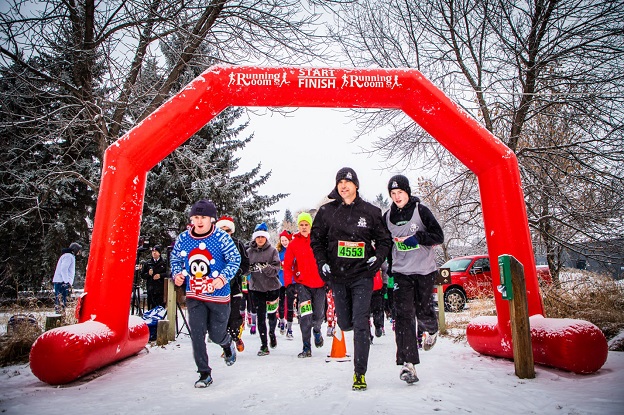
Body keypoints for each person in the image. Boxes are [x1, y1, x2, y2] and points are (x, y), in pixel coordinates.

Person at [311, 167, 392, 391]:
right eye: (340, 182)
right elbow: (316, 241)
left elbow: (385, 241)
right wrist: (322, 263)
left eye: (348, 182)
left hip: (362, 276)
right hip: (338, 276)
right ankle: (346, 325)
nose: (344, 186)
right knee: (346, 323)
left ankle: (359, 373)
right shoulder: (327, 212)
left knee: (360, 322)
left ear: (356, 185)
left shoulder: (371, 212)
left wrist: (376, 260)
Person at [170, 199, 241, 388]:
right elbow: (175, 259)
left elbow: (235, 259)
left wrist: (223, 278)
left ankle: (226, 344)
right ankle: (204, 373)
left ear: (212, 219)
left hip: (218, 295)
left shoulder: (221, 238)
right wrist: (177, 274)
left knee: (216, 335)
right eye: (196, 217)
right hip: (195, 294)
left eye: (204, 217)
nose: (199, 221)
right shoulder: (184, 238)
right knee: (197, 334)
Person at [384, 174, 444, 384]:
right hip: (401, 272)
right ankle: (408, 364)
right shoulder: (387, 216)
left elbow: (439, 236)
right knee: (403, 315)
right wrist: (388, 273)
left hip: (424, 270)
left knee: (422, 309)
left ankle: (432, 328)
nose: (397, 196)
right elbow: (386, 245)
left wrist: (417, 238)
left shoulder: (421, 211)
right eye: (393, 193)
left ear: (407, 192)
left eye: (400, 192)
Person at [283, 212, 326, 358]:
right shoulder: (294, 243)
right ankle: (306, 347)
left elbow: (327, 260)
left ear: (310, 226)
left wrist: (330, 278)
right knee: (305, 317)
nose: (303, 227)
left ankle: (317, 330)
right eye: (301, 225)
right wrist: (289, 284)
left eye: (306, 224)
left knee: (319, 315)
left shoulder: (318, 240)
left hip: (320, 284)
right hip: (303, 285)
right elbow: (287, 265)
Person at [216, 216, 250, 352]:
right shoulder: (213, 245)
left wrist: (237, 271)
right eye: (222, 229)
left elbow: (246, 264)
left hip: (234, 285)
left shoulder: (237, 244)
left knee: (234, 315)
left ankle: (236, 336)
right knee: (221, 317)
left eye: (228, 230)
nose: (225, 232)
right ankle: (226, 346)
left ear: (232, 231)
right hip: (218, 287)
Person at [247, 222, 282, 356]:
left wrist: (265, 267)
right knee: (260, 317)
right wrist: (250, 269)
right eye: (258, 237)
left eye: (262, 237)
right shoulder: (249, 252)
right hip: (256, 289)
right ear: (254, 238)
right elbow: (243, 270)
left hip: (272, 288)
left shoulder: (272, 251)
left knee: (271, 315)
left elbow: (276, 269)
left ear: (266, 238)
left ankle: (272, 333)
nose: (260, 239)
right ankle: (264, 344)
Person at [52, 242, 82, 313]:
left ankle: (60, 316)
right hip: (62, 282)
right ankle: (60, 317)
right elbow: (64, 269)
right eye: (78, 250)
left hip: (61, 281)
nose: (79, 252)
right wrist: (67, 282)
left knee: (60, 301)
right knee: (61, 301)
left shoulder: (67, 256)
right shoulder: (68, 256)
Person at [140, 245, 168, 310]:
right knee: (151, 308)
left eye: (156, 251)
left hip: (160, 290)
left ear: (159, 253)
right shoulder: (148, 263)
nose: (154, 253)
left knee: (160, 308)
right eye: (153, 251)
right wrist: (148, 274)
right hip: (151, 289)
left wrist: (160, 275)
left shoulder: (164, 263)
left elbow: (168, 274)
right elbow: (142, 275)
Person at [276, 230, 292, 334]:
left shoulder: (293, 250)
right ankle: (282, 321)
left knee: (290, 304)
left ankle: (289, 328)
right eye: (282, 240)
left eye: (286, 240)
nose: (284, 242)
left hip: (291, 281)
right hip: (280, 281)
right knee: (281, 303)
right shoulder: (278, 252)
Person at [369, 261, 389, 342]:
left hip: (377, 287)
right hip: (362, 288)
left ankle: (378, 326)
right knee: (363, 313)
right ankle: (367, 334)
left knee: (378, 309)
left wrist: (385, 283)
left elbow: (384, 269)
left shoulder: (378, 253)